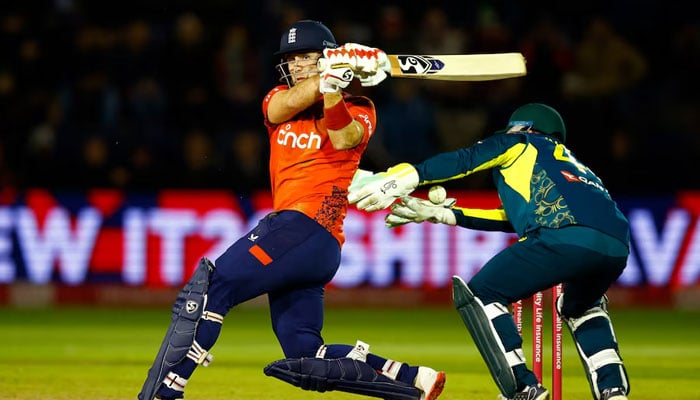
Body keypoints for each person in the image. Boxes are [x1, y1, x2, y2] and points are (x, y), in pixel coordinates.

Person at [138, 19, 445, 400]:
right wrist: (327, 77)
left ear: (326, 58)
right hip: (308, 246)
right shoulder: (276, 100)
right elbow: (285, 105)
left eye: (305, 58)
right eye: (291, 59)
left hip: (306, 228)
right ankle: (413, 380)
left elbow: (343, 137)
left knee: (211, 289)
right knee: (306, 354)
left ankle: (165, 393)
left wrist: (334, 89)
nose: (296, 65)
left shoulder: (360, 106)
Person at [349, 103, 630, 400]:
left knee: (483, 292)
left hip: (562, 236)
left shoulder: (520, 142)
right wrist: (443, 214)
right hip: (616, 246)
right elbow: (512, 217)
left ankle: (524, 387)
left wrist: (406, 176)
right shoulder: (572, 165)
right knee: (581, 307)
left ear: (521, 127)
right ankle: (613, 390)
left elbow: (466, 159)